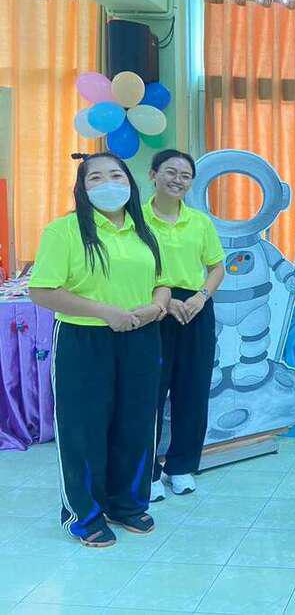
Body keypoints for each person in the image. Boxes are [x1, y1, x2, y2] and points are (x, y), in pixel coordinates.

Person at [29, 152, 169, 548]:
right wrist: (104, 312)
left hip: (141, 337)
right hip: (84, 339)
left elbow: (162, 281)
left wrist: (157, 306)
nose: (108, 184)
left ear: (129, 182)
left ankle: (128, 504)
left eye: (116, 175)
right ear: (82, 188)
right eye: (96, 178)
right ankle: (84, 514)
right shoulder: (64, 231)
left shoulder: (144, 231)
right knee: (83, 428)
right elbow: (42, 291)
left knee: (137, 424)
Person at [145, 150, 224, 502]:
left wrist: (201, 298)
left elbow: (217, 267)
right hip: (152, 310)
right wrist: (163, 301)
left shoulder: (200, 222)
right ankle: (146, 472)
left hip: (195, 310)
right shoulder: (136, 220)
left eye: (185, 175)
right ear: (153, 175)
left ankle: (181, 466)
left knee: (192, 391)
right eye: (170, 172)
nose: (177, 179)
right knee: (148, 393)